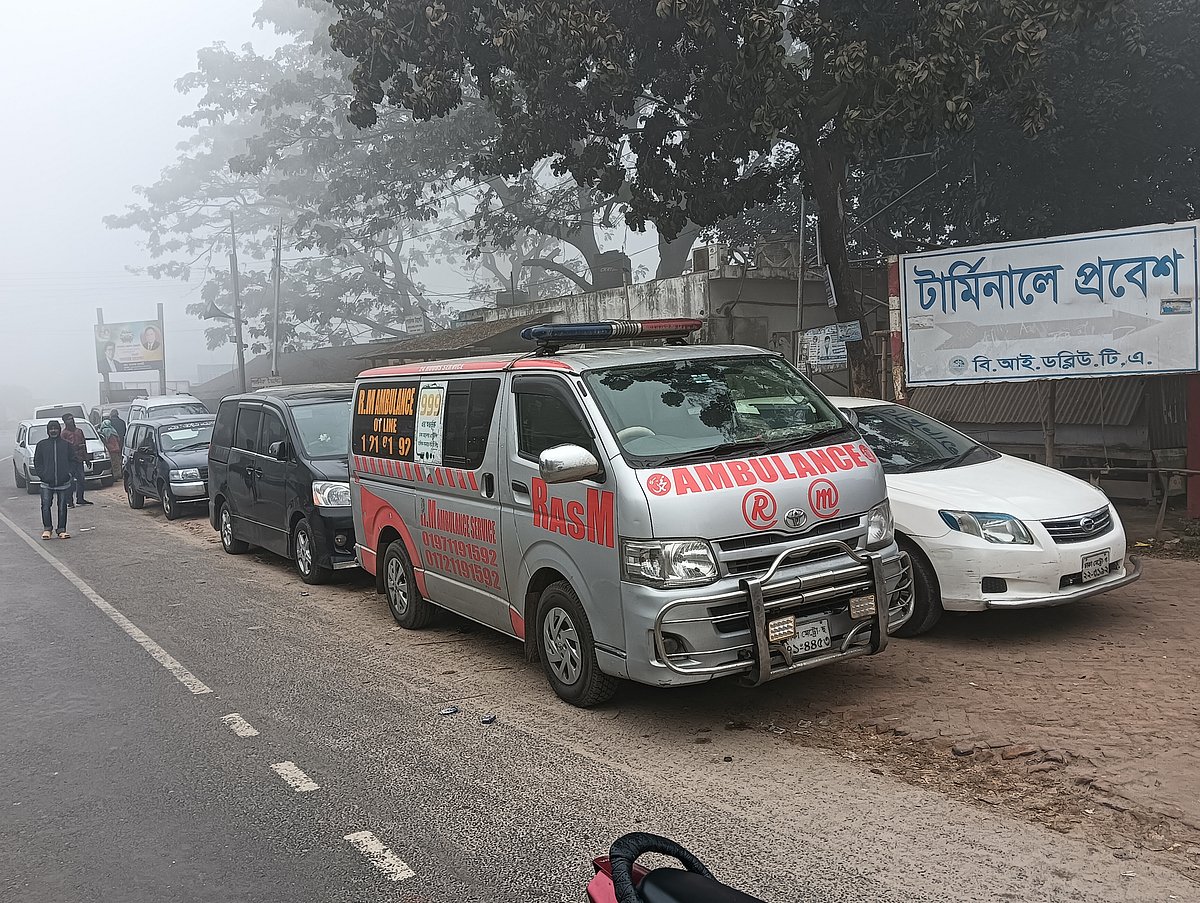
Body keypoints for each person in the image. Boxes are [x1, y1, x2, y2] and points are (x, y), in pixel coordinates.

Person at [33, 420, 74, 540]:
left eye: (55, 428)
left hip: (63, 482)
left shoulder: (66, 445)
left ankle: (61, 530)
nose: (53, 431)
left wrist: (69, 474)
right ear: (48, 431)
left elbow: (73, 460)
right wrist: (42, 475)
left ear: (59, 430)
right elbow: (37, 462)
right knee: (45, 506)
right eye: (51, 429)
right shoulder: (42, 445)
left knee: (62, 506)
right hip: (46, 483)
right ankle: (47, 529)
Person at [59, 413, 92, 507]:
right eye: (69, 419)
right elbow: (63, 449)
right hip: (70, 461)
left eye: (72, 418)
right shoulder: (63, 434)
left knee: (81, 479)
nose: (71, 421)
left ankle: (80, 499)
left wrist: (87, 458)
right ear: (65, 422)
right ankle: (69, 501)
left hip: (80, 459)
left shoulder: (79, 431)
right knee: (70, 481)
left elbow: (84, 445)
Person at [99, 417, 123, 481]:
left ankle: (113, 476)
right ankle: (117, 476)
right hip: (115, 449)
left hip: (108, 450)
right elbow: (118, 439)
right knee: (116, 463)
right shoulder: (113, 430)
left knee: (112, 463)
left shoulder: (102, 431)